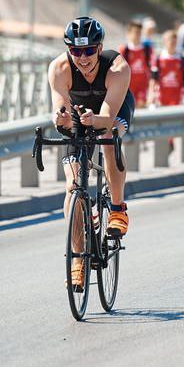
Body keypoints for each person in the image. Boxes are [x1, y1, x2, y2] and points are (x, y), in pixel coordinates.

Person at [49, 17, 134, 288]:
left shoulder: (118, 68)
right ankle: (77, 260)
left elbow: (107, 119)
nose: (82, 57)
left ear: (99, 48)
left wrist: (95, 121)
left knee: (109, 137)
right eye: (75, 51)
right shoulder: (59, 68)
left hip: (112, 109)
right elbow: (61, 110)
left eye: (88, 50)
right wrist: (61, 119)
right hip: (79, 113)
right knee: (73, 187)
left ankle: (118, 208)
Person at [149, 30, 184, 107]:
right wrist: (151, 94)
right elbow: (153, 78)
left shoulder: (182, 59)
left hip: (177, 98)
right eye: (170, 41)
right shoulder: (158, 58)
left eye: (174, 42)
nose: (172, 44)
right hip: (161, 98)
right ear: (165, 42)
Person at [118, 20, 154, 107]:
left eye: (139, 32)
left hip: (142, 87)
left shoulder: (147, 49)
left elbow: (151, 69)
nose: (137, 35)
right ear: (129, 33)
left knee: (141, 106)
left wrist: (151, 91)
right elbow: (119, 69)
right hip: (128, 87)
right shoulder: (124, 49)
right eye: (135, 32)